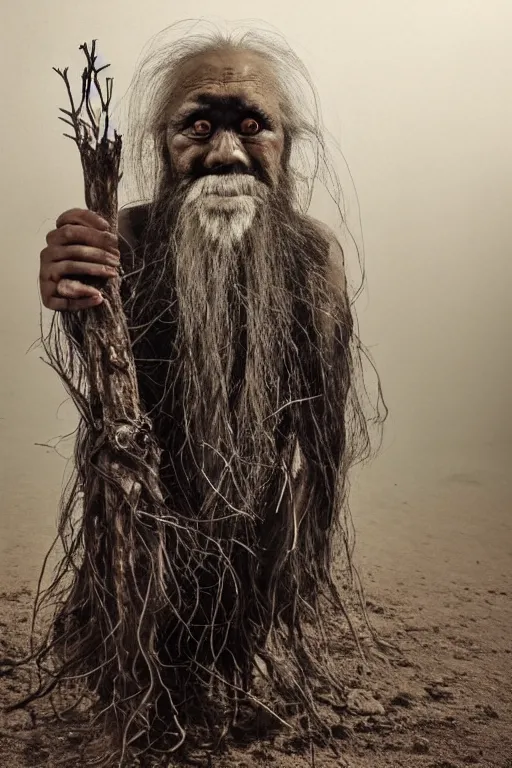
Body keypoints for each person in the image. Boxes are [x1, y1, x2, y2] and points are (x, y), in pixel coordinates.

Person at [37, 27, 383, 752]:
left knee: (238, 618)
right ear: (160, 144)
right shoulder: (125, 239)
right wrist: (71, 288)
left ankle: (234, 657)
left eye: (251, 125)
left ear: (287, 143)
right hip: (150, 510)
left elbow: (319, 445)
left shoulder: (315, 257)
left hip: (252, 513)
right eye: (199, 125)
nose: (225, 153)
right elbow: (108, 386)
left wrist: (294, 560)